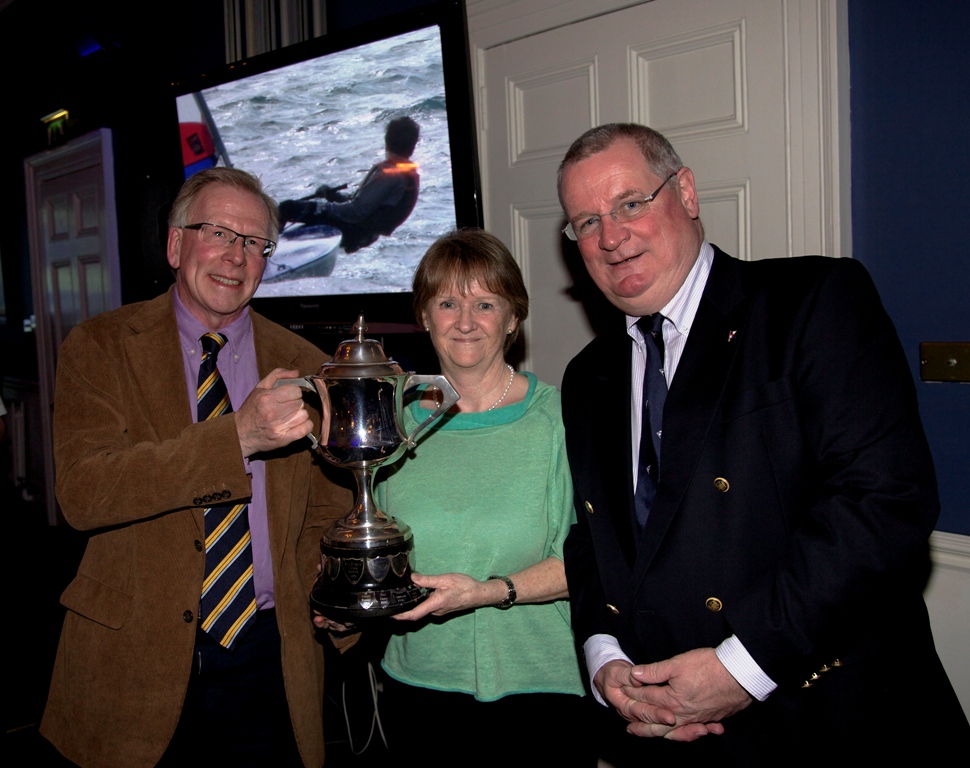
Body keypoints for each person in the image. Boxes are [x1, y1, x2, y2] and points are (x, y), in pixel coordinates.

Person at [556, 123, 969, 764]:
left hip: (833, 724)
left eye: (630, 204)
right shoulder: (587, 377)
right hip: (669, 735)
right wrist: (604, 658)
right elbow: (592, 539)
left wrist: (742, 668)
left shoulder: (813, 302)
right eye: (586, 222)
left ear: (685, 192)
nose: (610, 238)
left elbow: (884, 504)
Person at [40, 167, 354, 768]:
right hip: (133, 655)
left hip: (268, 658)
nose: (236, 256)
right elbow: (85, 492)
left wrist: (334, 595)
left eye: (255, 243)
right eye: (218, 233)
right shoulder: (101, 346)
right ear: (175, 244)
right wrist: (236, 437)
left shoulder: (306, 365)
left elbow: (324, 513)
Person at [361, 228, 590, 764]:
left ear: (513, 318)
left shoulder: (558, 421)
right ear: (425, 316)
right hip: (419, 689)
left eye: (485, 303)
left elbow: (584, 564)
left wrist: (486, 592)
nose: (465, 321)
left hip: (541, 693)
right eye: (447, 303)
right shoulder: (389, 426)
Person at [277, 116, 420, 254]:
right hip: (364, 232)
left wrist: (322, 207)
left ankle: (267, 251)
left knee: (286, 208)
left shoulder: (390, 174)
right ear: (412, 147)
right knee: (299, 227)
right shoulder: (406, 175)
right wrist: (333, 196)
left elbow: (356, 211)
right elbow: (363, 204)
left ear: (386, 144)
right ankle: (278, 251)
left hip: (351, 229)